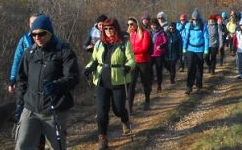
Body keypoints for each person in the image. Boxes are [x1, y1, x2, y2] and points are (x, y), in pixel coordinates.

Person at [15, 15, 79, 150]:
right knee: (22, 146)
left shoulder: (64, 51)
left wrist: (56, 85)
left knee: (56, 147)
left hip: (54, 108)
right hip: (31, 108)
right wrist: (20, 104)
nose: (37, 37)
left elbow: (73, 77)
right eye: (34, 34)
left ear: (50, 33)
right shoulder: (29, 53)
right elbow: (21, 79)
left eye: (41, 34)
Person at [83, 18, 136, 150]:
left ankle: (124, 119)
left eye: (110, 28)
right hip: (101, 80)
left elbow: (132, 60)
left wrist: (128, 67)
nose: (108, 31)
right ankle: (103, 138)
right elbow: (94, 60)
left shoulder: (124, 43)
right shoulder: (99, 44)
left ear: (116, 29)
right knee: (101, 111)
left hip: (119, 80)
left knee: (118, 109)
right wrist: (88, 68)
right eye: (105, 29)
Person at [9, 13, 46, 150]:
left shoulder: (47, 39)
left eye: (36, 22)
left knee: (39, 112)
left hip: (40, 83)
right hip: (24, 82)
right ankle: (22, 139)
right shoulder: (24, 40)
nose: (34, 26)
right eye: (31, 23)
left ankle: (40, 143)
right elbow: (17, 60)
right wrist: (12, 79)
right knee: (22, 109)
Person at [127, 17, 152, 111]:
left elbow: (144, 48)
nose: (130, 26)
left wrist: (131, 51)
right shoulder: (129, 34)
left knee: (145, 83)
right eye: (128, 24)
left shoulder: (145, 33)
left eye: (131, 24)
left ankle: (147, 101)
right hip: (133, 62)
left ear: (136, 24)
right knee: (131, 84)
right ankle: (129, 107)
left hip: (144, 61)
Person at [182, 9, 209, 94]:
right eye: (194, 19)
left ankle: (199, 85)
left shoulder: (203, 26)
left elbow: (206, 38)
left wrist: (206, 50)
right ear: (192, 19)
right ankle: (189, 86)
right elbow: (186, 37)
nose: (195, 21)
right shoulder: (188, 26)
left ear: (199, 19)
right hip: (190, 49)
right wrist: (184, 48)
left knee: (199, 67)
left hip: (200, 49)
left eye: (196, 19)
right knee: (190, 67)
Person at [150, 18, 168, 92]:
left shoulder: (162, 32)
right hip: (151, 54)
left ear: (157, 24)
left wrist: (160, 46)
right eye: (152, 25)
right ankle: (150, 84)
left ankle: (159, 85)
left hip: (159, 54)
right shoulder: (149, 32)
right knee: (149, 70)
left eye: (155, 25)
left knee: (159, 70)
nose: (153, 26)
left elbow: (166, 41)